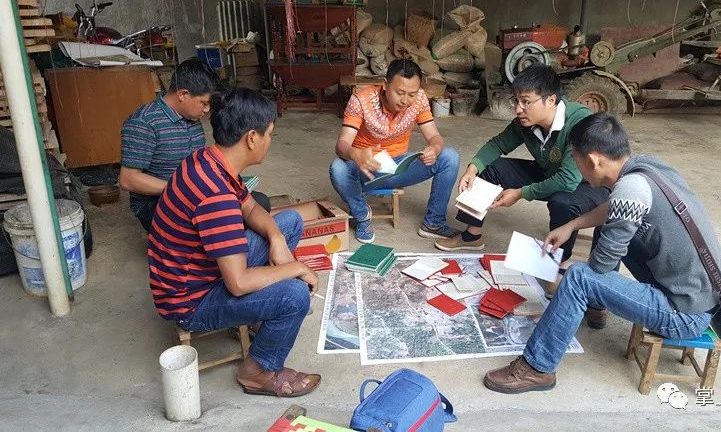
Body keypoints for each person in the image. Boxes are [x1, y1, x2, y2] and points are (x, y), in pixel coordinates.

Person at [482, 113, 721, 394]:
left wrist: (561, 277)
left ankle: (538, 368)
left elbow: (600, 267)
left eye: (576, 160)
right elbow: (613, 207)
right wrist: (571, 225)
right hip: (702, 294)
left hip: (683, 314)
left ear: (594, 160)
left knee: (578, 278)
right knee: (614, 243)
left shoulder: (629, 190)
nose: (577, 170)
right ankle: (595, 305)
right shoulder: (645, 168)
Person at [148, 88, 321, 397]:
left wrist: (277, 239)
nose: (270, 141)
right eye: (270, 135)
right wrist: (296, 268)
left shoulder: (208, 159)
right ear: (252, 138)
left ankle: (258, 316)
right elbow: (238, 283)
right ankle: (256, 372)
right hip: (190, 301)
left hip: (202, 271)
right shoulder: (216, 196)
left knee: (288, 222)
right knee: (295, 296)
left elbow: (251, 208)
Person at [434, 64, 609, 270]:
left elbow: (568, 181)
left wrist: (520, 193)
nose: (518, 109)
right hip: (550, 172)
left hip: (588, 185)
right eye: (516, 101)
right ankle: (472, 235)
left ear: (550, 100)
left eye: (526, 102)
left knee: (561, 202)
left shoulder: (580, 122)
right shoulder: (526, 122)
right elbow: (498, 144)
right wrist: (472, 168)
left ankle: (559, 262)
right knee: (490, 167)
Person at [120, 58, 271, 232]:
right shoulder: (143, 122)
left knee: (259, 202)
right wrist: (183, 189)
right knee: (232, 214)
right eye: (204, 103)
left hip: (193, 193)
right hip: (155, 204)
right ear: (183, 94)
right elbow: (128, 180)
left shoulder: (191, 118)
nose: (206, 110)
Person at [329, 59, 461, 243]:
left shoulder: (419, 99)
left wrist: (434, 148)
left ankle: (434, 223)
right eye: (399, 93)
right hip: (367, 168)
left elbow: (434, 136)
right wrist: (355, 154)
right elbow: (342, 144)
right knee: (338, 168)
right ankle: (362, 216)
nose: (405, 100)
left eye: (411, 94)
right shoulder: (361, 100)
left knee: (449, 157)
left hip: (399, 166)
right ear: (385, 84)